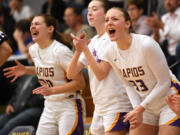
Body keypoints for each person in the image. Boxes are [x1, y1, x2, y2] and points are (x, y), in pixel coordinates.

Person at [73, 7, 180, 135]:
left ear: (127, 24)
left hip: (170, 101)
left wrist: (140, 107)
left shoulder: (146, 45)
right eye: (106, 20)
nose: (109, 23)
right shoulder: (109, 51)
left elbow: (164, 82)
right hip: (145, 104)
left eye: (114, 19)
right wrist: (137, 109)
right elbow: (128, 84)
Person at [3, 14, 86, 135]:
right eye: (31, 24)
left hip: (69, 105)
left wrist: (53, 90)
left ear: (50, 29)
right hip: (49, 106)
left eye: (37, 24)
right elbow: (50, 70)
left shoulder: (60, 51)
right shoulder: (33, 49)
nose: (32, 27)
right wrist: (27, 70)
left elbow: (80, 83)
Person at [67, 0, 132, 135]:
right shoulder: (94, 41)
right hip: (99, 107)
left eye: (95, 9)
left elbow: (101, 74)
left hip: (116, 105)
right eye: (88, 9)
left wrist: (85, 50)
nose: (89, 12)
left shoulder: (112, 40)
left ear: (106, 14)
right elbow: (71, 74)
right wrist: (79, 50)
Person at [146, 0, 180, 74]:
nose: (167, 2)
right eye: (165, 0)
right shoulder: (164, 17)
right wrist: (156, 32)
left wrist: (161, 25)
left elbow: (178, 35)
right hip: (168, 55)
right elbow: (157, 41)